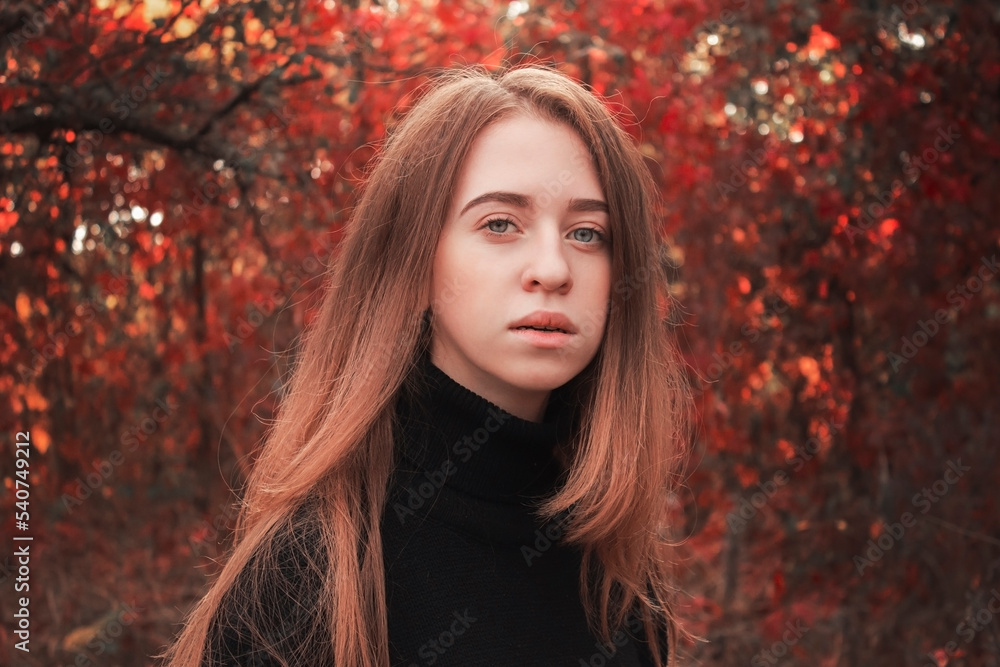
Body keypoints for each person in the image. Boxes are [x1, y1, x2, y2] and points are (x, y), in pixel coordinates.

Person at [162, 63, 692, 667]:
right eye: (500, 224)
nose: (553, 268)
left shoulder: (620, 581)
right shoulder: (311, 576)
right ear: (413, 263)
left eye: (588, 233)